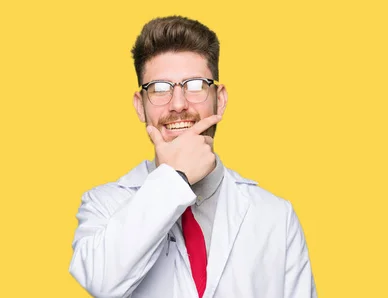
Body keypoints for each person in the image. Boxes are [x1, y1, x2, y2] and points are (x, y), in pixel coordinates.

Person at [68, 15, 317, 298]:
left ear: (219, 99)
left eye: (195, 85)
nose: (178, 104)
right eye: (160, 88)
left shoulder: (276, 216)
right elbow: (102, 282)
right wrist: (175, 178)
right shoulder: (103, 204)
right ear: (140, 106)